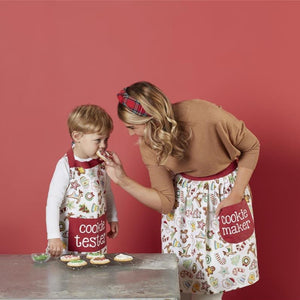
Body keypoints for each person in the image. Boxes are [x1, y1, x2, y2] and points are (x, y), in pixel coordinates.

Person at [105, 81, 259, 300]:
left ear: (150, 119)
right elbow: (166, 202)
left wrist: (235, 195)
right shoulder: (149, 143)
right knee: (179, 285)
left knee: (210, 289)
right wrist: (122, 180)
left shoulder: (207, 115)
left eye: (132, 127)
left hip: (223, 197)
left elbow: (252, 147)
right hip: (186, 206)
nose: (131, 134)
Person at [46, 104, 119, 257]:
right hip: (71, 239)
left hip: (94, 236)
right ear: (77, 137)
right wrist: (53, 236)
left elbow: (108, 192)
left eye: (106, 139)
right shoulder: (66, 165)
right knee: (70, 275)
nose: (103, 145)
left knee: (94, 271)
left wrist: (112, 217)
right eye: (98, 140)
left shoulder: (101, 164)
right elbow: (53, 202)